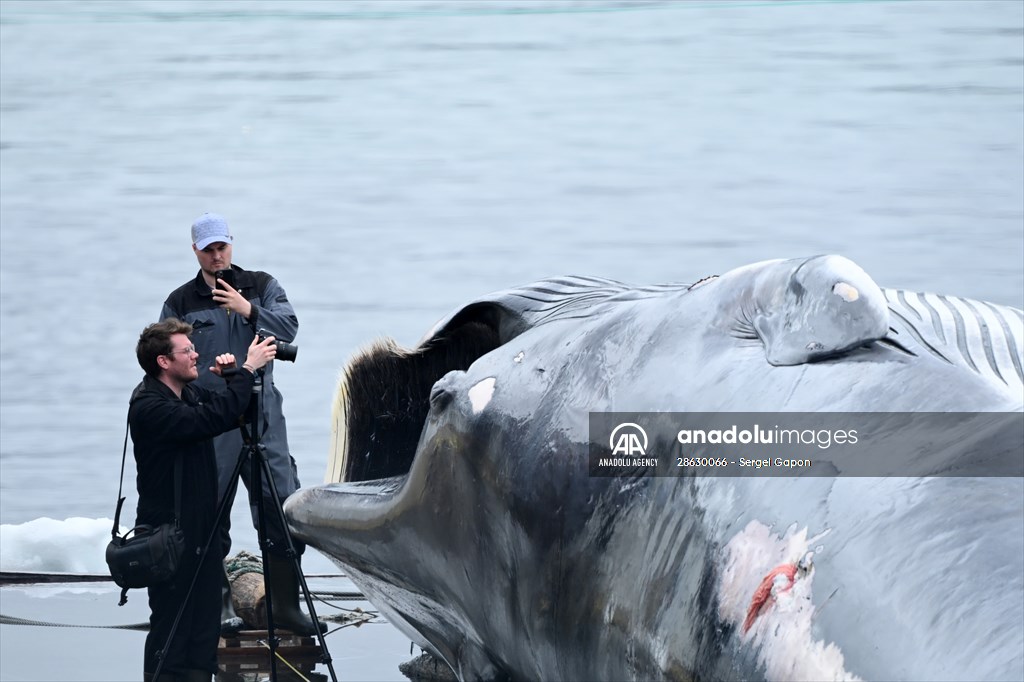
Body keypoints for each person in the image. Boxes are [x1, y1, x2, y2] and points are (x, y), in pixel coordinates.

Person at [160, 212, 323, 636]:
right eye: (208, 249)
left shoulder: (262, 285)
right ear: (195, 250)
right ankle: (215, 609)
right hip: (212, 419)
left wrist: (247, 309)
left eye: (222, 247)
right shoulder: (180, 302)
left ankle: (285, 607)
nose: (217, 256)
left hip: (264, 414)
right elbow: (166, 356)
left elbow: (289, 326)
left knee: (282, 506)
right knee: (209, 512)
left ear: (231, 244)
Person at [131, 319, 277, 682]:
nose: (196, 354)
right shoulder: (150, 404)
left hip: (201, 533)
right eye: (187, 350)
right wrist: (247, 368)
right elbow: (207, 421)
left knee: (203, 629)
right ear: (164, 361)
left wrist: (234, 380)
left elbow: (240, 416)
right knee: (172, 628)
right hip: (169, 537)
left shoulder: (188, 394)